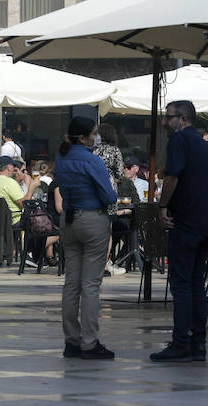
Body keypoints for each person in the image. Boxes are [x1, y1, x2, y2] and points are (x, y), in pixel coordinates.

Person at [152, 98, 208, 363]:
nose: (166, 122)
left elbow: (172, 176)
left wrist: (162, 205)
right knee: (196, 286)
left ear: (184, 119)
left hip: (185, 223)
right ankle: (198, 344)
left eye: (169, 117)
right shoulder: (205, 147)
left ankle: (180, 343)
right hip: (204, 224)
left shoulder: (179, 140)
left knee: (180, 286)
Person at [53, 115, 117, 361]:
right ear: (83, 137)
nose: (96, 137)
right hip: (93, 220)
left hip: (68, 220)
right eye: (93, 133)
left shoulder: (62, 158)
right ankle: (90, 342)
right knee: (90, 284)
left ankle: (71, 340)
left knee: (72, 282)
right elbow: (109, 196)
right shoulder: (92, 161)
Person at [98, 121, 126, 274]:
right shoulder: (114, 151)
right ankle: (104, 264)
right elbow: (121, 174)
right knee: (107, 229)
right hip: (109, 190)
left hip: (93, 191)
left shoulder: (92, 150)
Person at [0, 153, 40, 227]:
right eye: (13, 167)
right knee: (40, 224)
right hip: (14, 219)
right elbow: (24, 204)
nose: (14, 169)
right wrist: (32, 186)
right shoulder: (10, 182)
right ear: (9, 168)